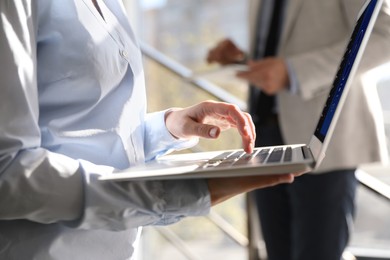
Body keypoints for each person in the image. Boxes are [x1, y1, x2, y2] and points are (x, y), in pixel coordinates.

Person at [0, 1, 299, 259]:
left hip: (117, 246)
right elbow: (7, 169)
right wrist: (179, 195)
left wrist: (168, 127)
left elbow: (90, 128)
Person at [207, 0, 390, 259]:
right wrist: (243, 60)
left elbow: (384, 35)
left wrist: (295, 71)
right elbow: (283, 48)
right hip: (264, 140)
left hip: (324, 140)